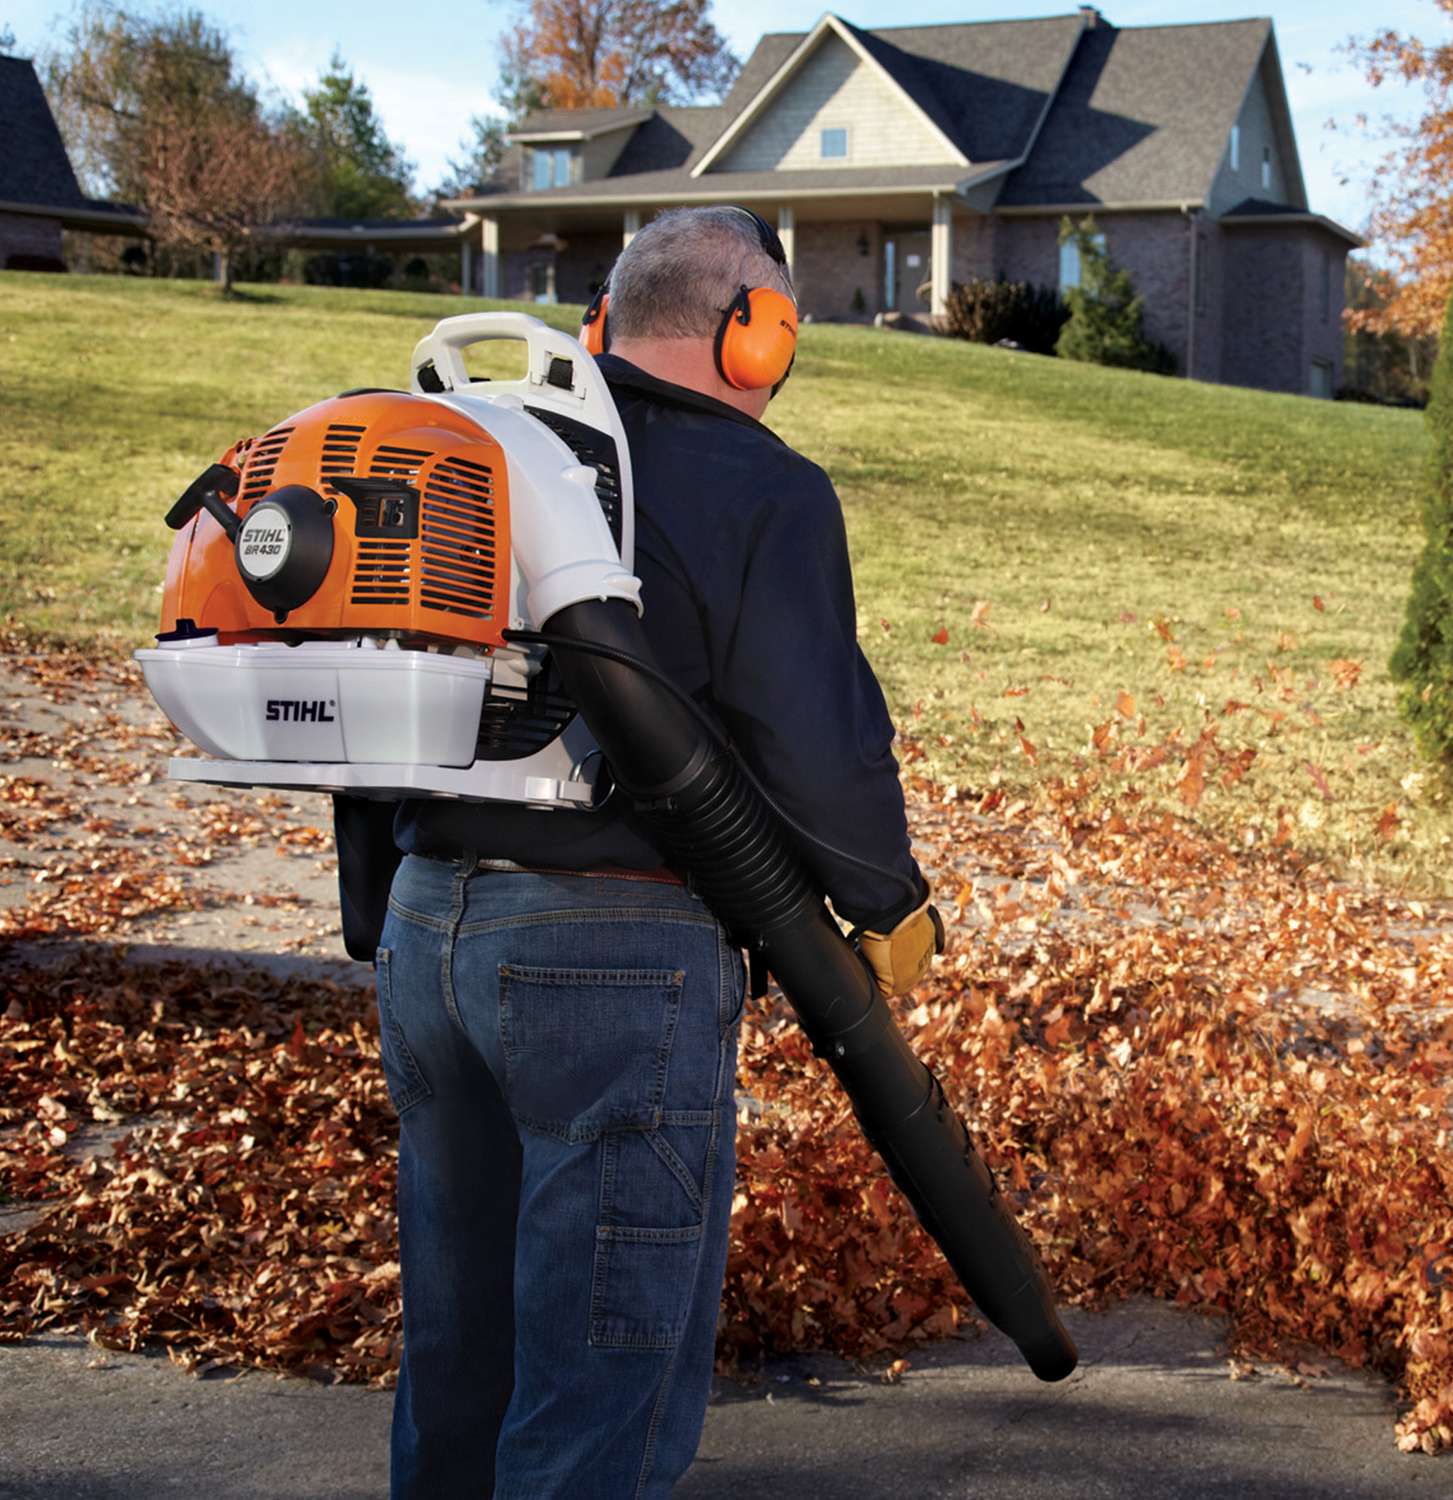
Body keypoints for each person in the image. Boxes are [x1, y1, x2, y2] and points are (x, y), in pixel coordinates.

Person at [372, 206, 937, 1499]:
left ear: (603, 326)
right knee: (599, 1393)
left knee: (459, 1356)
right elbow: (815, 740)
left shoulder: (479, 450)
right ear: (757, 332)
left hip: (427, 924)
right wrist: (888, 904)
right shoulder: (758, 483)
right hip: (614, 952)